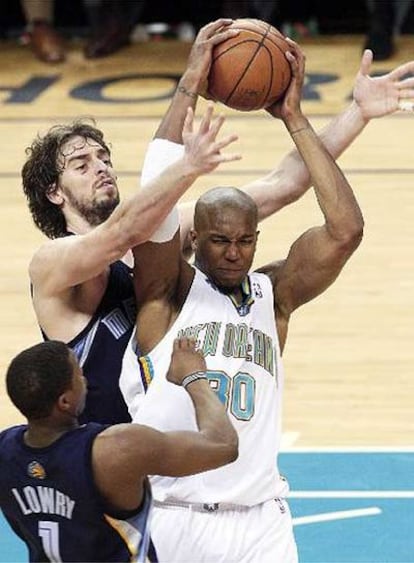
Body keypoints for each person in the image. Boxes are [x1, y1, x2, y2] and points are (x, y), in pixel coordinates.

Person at [22, 18, 414, 428]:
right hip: (101, 464)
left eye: (104, 158)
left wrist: (358, 113)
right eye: (82, 165)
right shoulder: (52, 264)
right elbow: (124, 232)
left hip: (169, 459)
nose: (100, 168)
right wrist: (188, 113)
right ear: (54, 192)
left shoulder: (157, 231)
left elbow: (283, 185)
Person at [119, 38, 364, 562]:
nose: (234, 254)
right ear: (194, 238)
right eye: (219, 241)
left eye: (245, 241)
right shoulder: (168, 291)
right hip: (177, 516)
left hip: (261, 523)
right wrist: (188, 83)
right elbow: (151, 208)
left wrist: (294, 118)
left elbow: (345, 231)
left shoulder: (273, 296)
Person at [0, 337, 238, 562]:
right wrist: (194, 377)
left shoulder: (5, 451)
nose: (84, 379)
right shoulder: (117, 449)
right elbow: (223, 445)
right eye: (79, 374)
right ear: (65, 402)